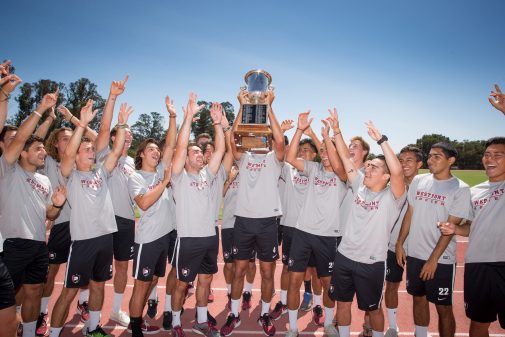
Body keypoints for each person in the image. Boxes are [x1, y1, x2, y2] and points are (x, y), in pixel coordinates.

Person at [48, 99, 132, 337]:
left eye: (92, 149)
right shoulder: (70, 176)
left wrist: (123, 124)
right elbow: (68, 155)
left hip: (106, 238)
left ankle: (93, 327)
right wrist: (81, 124)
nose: (91, 152)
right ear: (75, 156)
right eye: (86, 149)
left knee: (98, 285)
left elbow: (116, 151)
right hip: (83, 242)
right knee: (69, 292)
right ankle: (53, 333)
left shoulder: (102, 173)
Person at [330, 109, 406, 337]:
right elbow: (345, 157)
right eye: (369, 165)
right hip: (344, 256)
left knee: (373, 309)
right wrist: (337, 131)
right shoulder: (358, 185)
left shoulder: (393, 197)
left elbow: (398, 172)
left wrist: (381, 141)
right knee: (342, 304)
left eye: (375, 167)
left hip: (371, 263)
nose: (369, 168)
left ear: (386, 177)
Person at [1, 90, 66, 337]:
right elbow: (19, 140)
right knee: (7, 297)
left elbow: (49, 214)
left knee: (34, 292)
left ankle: (27, 333)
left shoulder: (44, 180)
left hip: (39, 245)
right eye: (38, 148)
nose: (44, 152)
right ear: (22, 153)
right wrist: (41, 110)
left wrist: (58, 204)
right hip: (13, 244)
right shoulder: (8, 171)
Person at [220, 90, 285, 337]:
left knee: (268, 272)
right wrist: (241, 105)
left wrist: (268, 106)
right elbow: (233, 139)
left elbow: (280, 141)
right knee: (239, 270)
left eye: (264, 137)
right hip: (244, 221)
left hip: (268, 222)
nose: (261, 140)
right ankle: (234, 314)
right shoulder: (244, 158)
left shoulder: (274, 158)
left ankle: (265, 313)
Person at [396, 142, 471, 337]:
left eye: (437, 156)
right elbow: (409, 214)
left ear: (451, 160)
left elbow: (450, 228)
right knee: (418, 298)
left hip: (441, 260)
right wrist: (400, 243)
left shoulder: (460, 189)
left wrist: (433, 259)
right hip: (415, 254)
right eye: (430, 156)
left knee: (443, 307)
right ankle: (420, 334)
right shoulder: (419, 181)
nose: (430, 160)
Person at [284, 112, 346, 337]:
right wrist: (300, 130)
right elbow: (290, 158)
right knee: (294, 281)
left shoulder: (342, 176)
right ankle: (292, 327)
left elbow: (337, 161)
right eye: (323, 153)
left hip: (328, 236)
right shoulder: (313, 169)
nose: (325, 155)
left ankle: (329, 323)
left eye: (329, 152)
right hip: (302, 233)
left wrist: (327, 137)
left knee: (328, 282)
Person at [438, 137, 505, 337]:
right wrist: (454, 229)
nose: (490, 158)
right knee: (478, 323)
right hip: (477, 265)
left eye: (498, 154)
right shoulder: (474, 192)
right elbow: (470, 227)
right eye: (487, 154)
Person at [170, 95, 225, 337]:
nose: (199, 154)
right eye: (194, 152)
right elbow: (180, 147)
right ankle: (174, 322)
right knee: (182, 284)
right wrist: (189, 118)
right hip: (188, 239)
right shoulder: (179, 177)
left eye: (200, 152)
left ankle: (201, 321)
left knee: (205, 282)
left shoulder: (207, 176)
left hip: (209, 237)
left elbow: (221, 149)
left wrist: (217, 123)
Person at [127, 95, 177, 336]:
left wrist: (173, 115)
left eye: (157, 150)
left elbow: (171, 143)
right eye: (151, 150)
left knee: (154, 282)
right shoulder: (136, 177)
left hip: (165, 237)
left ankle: (137, 320)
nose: (157, 152)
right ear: (141, 155)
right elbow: (144, 203)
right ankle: (135, 327)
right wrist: (165, 181)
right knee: (140, 286)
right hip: (148, 239)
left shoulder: (158, 172)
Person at [92, 76, 135, 327]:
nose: (126, 140)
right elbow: (103, 128)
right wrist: (113, 98)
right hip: (104, 218)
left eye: (130, 137)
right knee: (98, 270)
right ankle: (90, 309)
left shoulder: (131, 164)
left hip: (127, 220)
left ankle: (116, 310)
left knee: (121, 268)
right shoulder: (104, 153)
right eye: (122, 136)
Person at [272, 119, 323, 323]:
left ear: (315, 155)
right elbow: (283, 152)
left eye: (307, 151)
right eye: (300, 150)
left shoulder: (319, 170)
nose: (302, 153)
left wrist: (312, 135)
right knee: (287, 268)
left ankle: (317, 305)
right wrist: (292, 132)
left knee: (315, 271)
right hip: (291, 227)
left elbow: (327, 152)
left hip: (313, 228)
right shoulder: (288, 169)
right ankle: (284, 301)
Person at [383, 146, 423, 337]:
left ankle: (421, 331)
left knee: (420, 293)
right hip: (392, 244)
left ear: (420, 164)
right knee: (390, 286)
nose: (404, 164)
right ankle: (392, 326)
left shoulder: (427, 186)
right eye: (401, 160)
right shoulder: (392, 184)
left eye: (409, 160)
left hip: (419, 247)